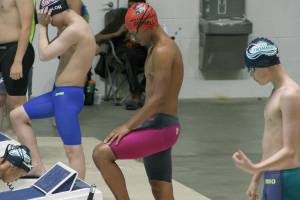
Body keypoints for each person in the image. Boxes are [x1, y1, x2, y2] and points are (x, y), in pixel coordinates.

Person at [93, 3, 183, 200]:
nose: (133, 37)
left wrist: (127, 126)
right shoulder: (155, 47)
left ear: (146, 26)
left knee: (101, 153)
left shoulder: (163, 51)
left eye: (134, 32)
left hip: (161, 127)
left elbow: (158, 99)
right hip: (157, 125)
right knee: (160, 187)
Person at [9, 0, 96, 179]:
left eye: (49, 18)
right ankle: (36, 166)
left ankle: (79, 189)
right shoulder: (72, 27)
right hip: (59, 95)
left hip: (68, 96)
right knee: (17, 116)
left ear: (56, 11)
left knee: (72, 150)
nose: (49, 21)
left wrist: (42, 27)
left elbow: (45, 54)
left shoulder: (76, 29)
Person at [232, 38, 300, 200]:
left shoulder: (290, 95)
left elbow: (290, 150)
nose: (252, 75)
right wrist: (256, 178)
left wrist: (255, 167)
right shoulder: (276, 92)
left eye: (252, 69)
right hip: (273, 176)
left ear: (265, 65)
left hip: (286, 178)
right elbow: (272, 145)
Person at [95, 0, 147, 110]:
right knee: (129, 54)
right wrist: (118, 33)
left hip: (141, 50)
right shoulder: (122, 18)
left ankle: (141, 89)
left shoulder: (146, 18)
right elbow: (97, 37)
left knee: (157, 55)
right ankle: (136, 96)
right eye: (131, 6)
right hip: (124, 51)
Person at [0, 0, 35, 131]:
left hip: (14, 50)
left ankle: (22, 146)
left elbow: (26, 27)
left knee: (16, 104)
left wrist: (18, 61)